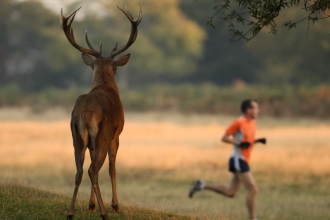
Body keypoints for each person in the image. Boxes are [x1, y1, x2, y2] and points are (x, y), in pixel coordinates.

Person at [188, 99, 266, 220]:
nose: (258, 110)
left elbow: (247, 141)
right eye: (256, 108)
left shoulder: (252, 122)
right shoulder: (238, 122)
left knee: (230, 192)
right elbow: (224, 138)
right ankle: (253, 218)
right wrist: (238, 142)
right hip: (238, 159)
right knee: (253, 189)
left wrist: (257, 141)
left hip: (244, 159)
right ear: (248, 110)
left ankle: (201, 185)